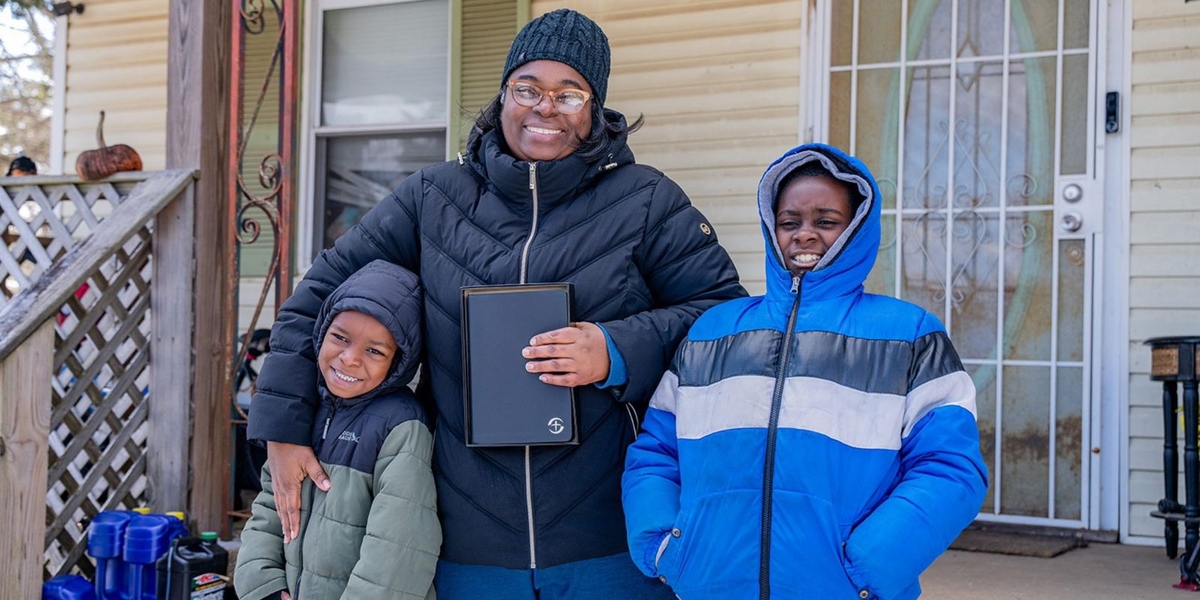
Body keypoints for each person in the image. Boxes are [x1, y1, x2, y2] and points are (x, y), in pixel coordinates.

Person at [248, 8, 744, 600]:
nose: (545, 108)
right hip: (468, 541)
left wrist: (615, 349)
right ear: (503, 95)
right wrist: (283, 431)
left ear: (595, 108)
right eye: (527, 88)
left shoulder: (646, 200)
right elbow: (315, 299)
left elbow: (725, 323)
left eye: (569, 93)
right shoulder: (432, 198)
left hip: (608, 538)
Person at [621, 143, 989, 600]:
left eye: (826, 221)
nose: (805, 235)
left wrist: (869, 564)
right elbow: (657, 451)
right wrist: (663, 547)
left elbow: (949, 468)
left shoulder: (909, 336)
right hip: (712, 585)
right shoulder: (713, 332)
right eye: (789, 222)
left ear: (856, 228)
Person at [235, 260, 439, 600]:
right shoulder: (302, 410)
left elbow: (398, 550)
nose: (349, 358)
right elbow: (269, 507)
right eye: (340, 337)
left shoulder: (401, 425)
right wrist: (264, 587)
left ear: (398, 361)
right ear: (322, 332)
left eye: (374, 350)